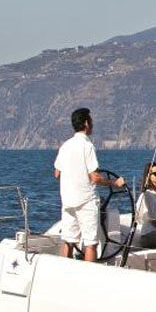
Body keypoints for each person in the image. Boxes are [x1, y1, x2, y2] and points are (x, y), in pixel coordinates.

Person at [53, 107, 124, 261]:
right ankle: (89, 273)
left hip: (68, 201)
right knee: (91, 243)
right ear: (86, 123)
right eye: (91, 121)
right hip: (86, 202)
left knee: (68, 241)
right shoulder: (87, 146)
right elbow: (95, 178)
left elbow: (57, 173)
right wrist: (115, 183)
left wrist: (73, 177)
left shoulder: (65, 146)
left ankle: (64, 271)